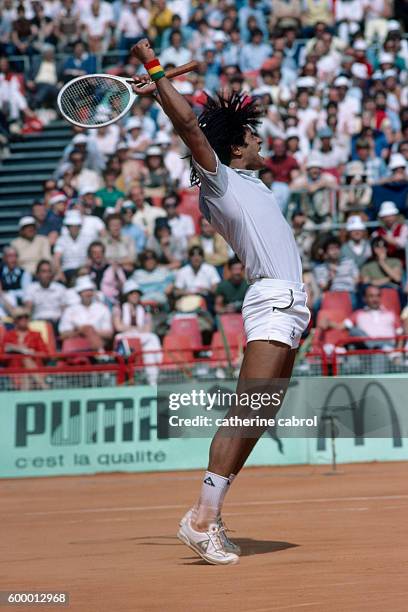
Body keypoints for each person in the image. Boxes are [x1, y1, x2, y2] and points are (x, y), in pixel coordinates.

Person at [131, 39, 310, 565]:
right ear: (235, 146)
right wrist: (157, 72)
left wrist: (162, 90)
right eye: (252, 135)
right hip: (273, 298)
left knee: (259, 415)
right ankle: (201, 518)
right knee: (246, 410)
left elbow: (193, 123)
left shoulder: (248, 181)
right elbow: (191, 126)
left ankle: (210, 511)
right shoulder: (222, 180)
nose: (258, 140)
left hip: (289, 303)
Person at [113, 279, 162, 385]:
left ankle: (153, 381)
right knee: (152, 338)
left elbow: (148, 328)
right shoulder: (119, 308)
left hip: (140, 338)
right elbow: (118, 326)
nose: (135, 296)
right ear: (127, 295)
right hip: (125, 339)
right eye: (132, 293)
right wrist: (134, 329)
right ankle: (160, 363)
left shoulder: (144, 309)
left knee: (150, 349)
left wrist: (133, 329)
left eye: (137, 293)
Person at [58, 276, 113, 351]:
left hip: (97, 346)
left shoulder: (102, 309)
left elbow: (109, 334)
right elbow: (63, 334)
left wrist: (90, 331)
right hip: (75, 346)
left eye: (90, 290)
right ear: (79, 293)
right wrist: (81, 331)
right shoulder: (70, 310)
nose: (88, 293)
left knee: (89, 330)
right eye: (85, 291)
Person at [1, 307, 49, 389]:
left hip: (35, 370)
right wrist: (17, 350)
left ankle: (41, 387)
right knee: (25, 369)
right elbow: (2, 357)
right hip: (16, 371)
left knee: (26, 361)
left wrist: (29, 352)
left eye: (26, 317)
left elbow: (45, 355)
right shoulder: (8, 336)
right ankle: (44, 387)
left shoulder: (36, 335)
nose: (24, 319)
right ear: (15, 320)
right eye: (20, 317)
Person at [23, 260, 67, 327]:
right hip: (39, 323)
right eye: (44, 271)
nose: (47, 275)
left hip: (57, 323)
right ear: (37, 274)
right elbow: (27, 310)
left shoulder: (60, 288)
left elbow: (64, 310)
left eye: (49, 271)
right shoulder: (31, 288)